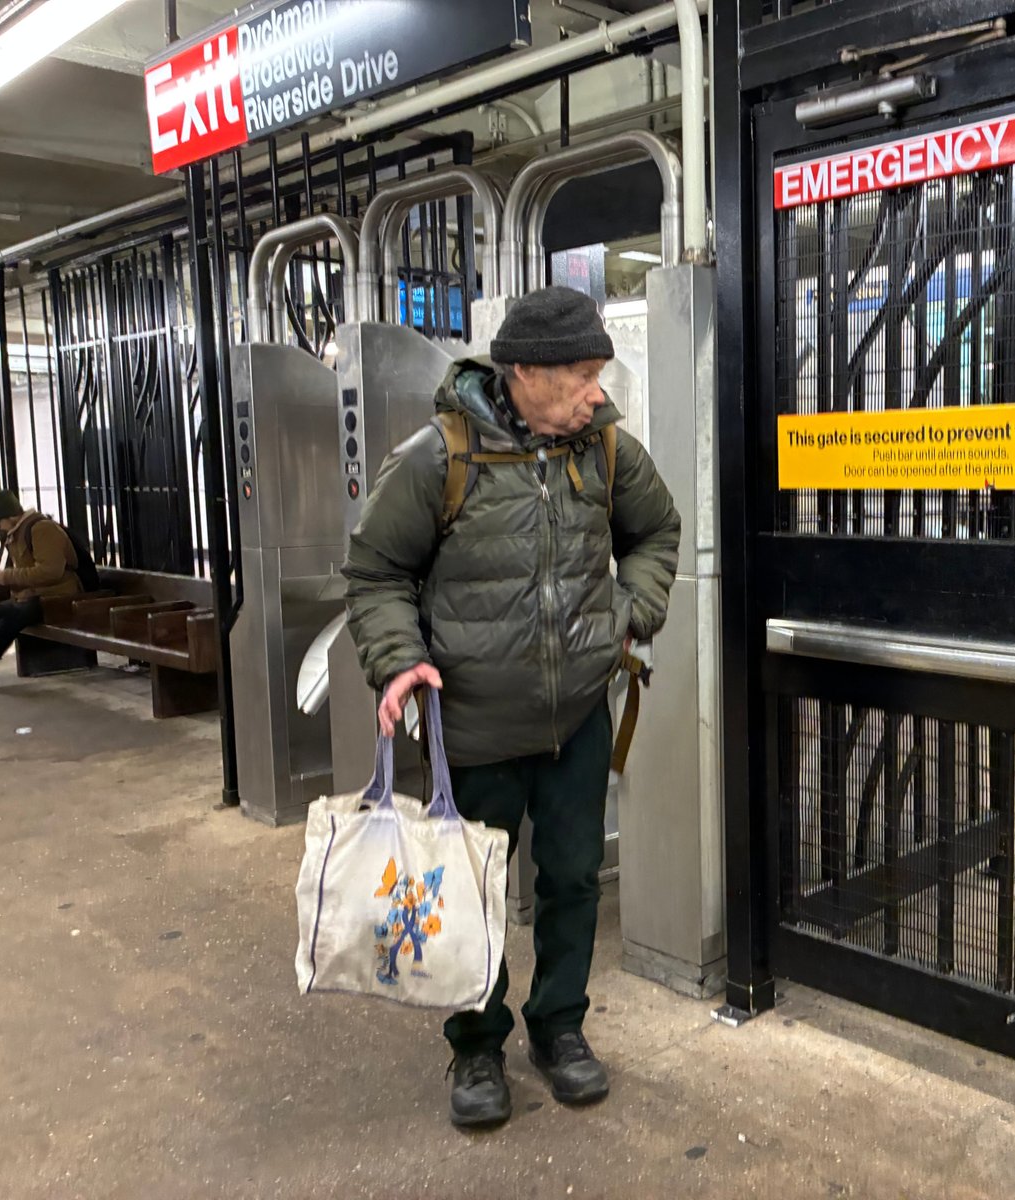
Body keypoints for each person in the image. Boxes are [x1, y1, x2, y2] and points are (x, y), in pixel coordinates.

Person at [342, 287, 680, 1129]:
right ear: (521, 373)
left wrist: (628, 614)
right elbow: (376, 573)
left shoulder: (604, 452)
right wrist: (398, 661)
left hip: (576, 722)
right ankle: (476, 1043)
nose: (594, 393)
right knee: (472, 891)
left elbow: (657, 532)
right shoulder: (437, 458)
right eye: (578, 376)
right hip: (476, 731)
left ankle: (560, 1027)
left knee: (570, 882)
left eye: (598, 375)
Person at [0, 491, 85, 675]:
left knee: (4, 625)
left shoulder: (42, 529)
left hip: (57, 596)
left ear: (10, 515)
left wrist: (7, 576)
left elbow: (50, 572)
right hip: (34, 595)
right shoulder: (16, 532)